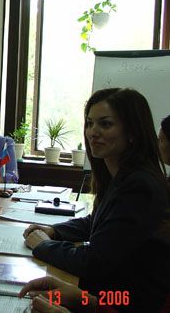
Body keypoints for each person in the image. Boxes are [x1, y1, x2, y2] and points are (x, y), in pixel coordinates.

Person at [22, 88, 169, 312]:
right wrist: (55, 231)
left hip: (126, 302)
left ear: (132, 132)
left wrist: (43, 245)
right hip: (108, 293)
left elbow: (91, 261)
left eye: (105, 124)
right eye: (89, 123)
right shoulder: (120, 175)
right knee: (29, 298)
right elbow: (97, 221)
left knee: (30, 303)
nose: (93, 132)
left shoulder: (141, 186)